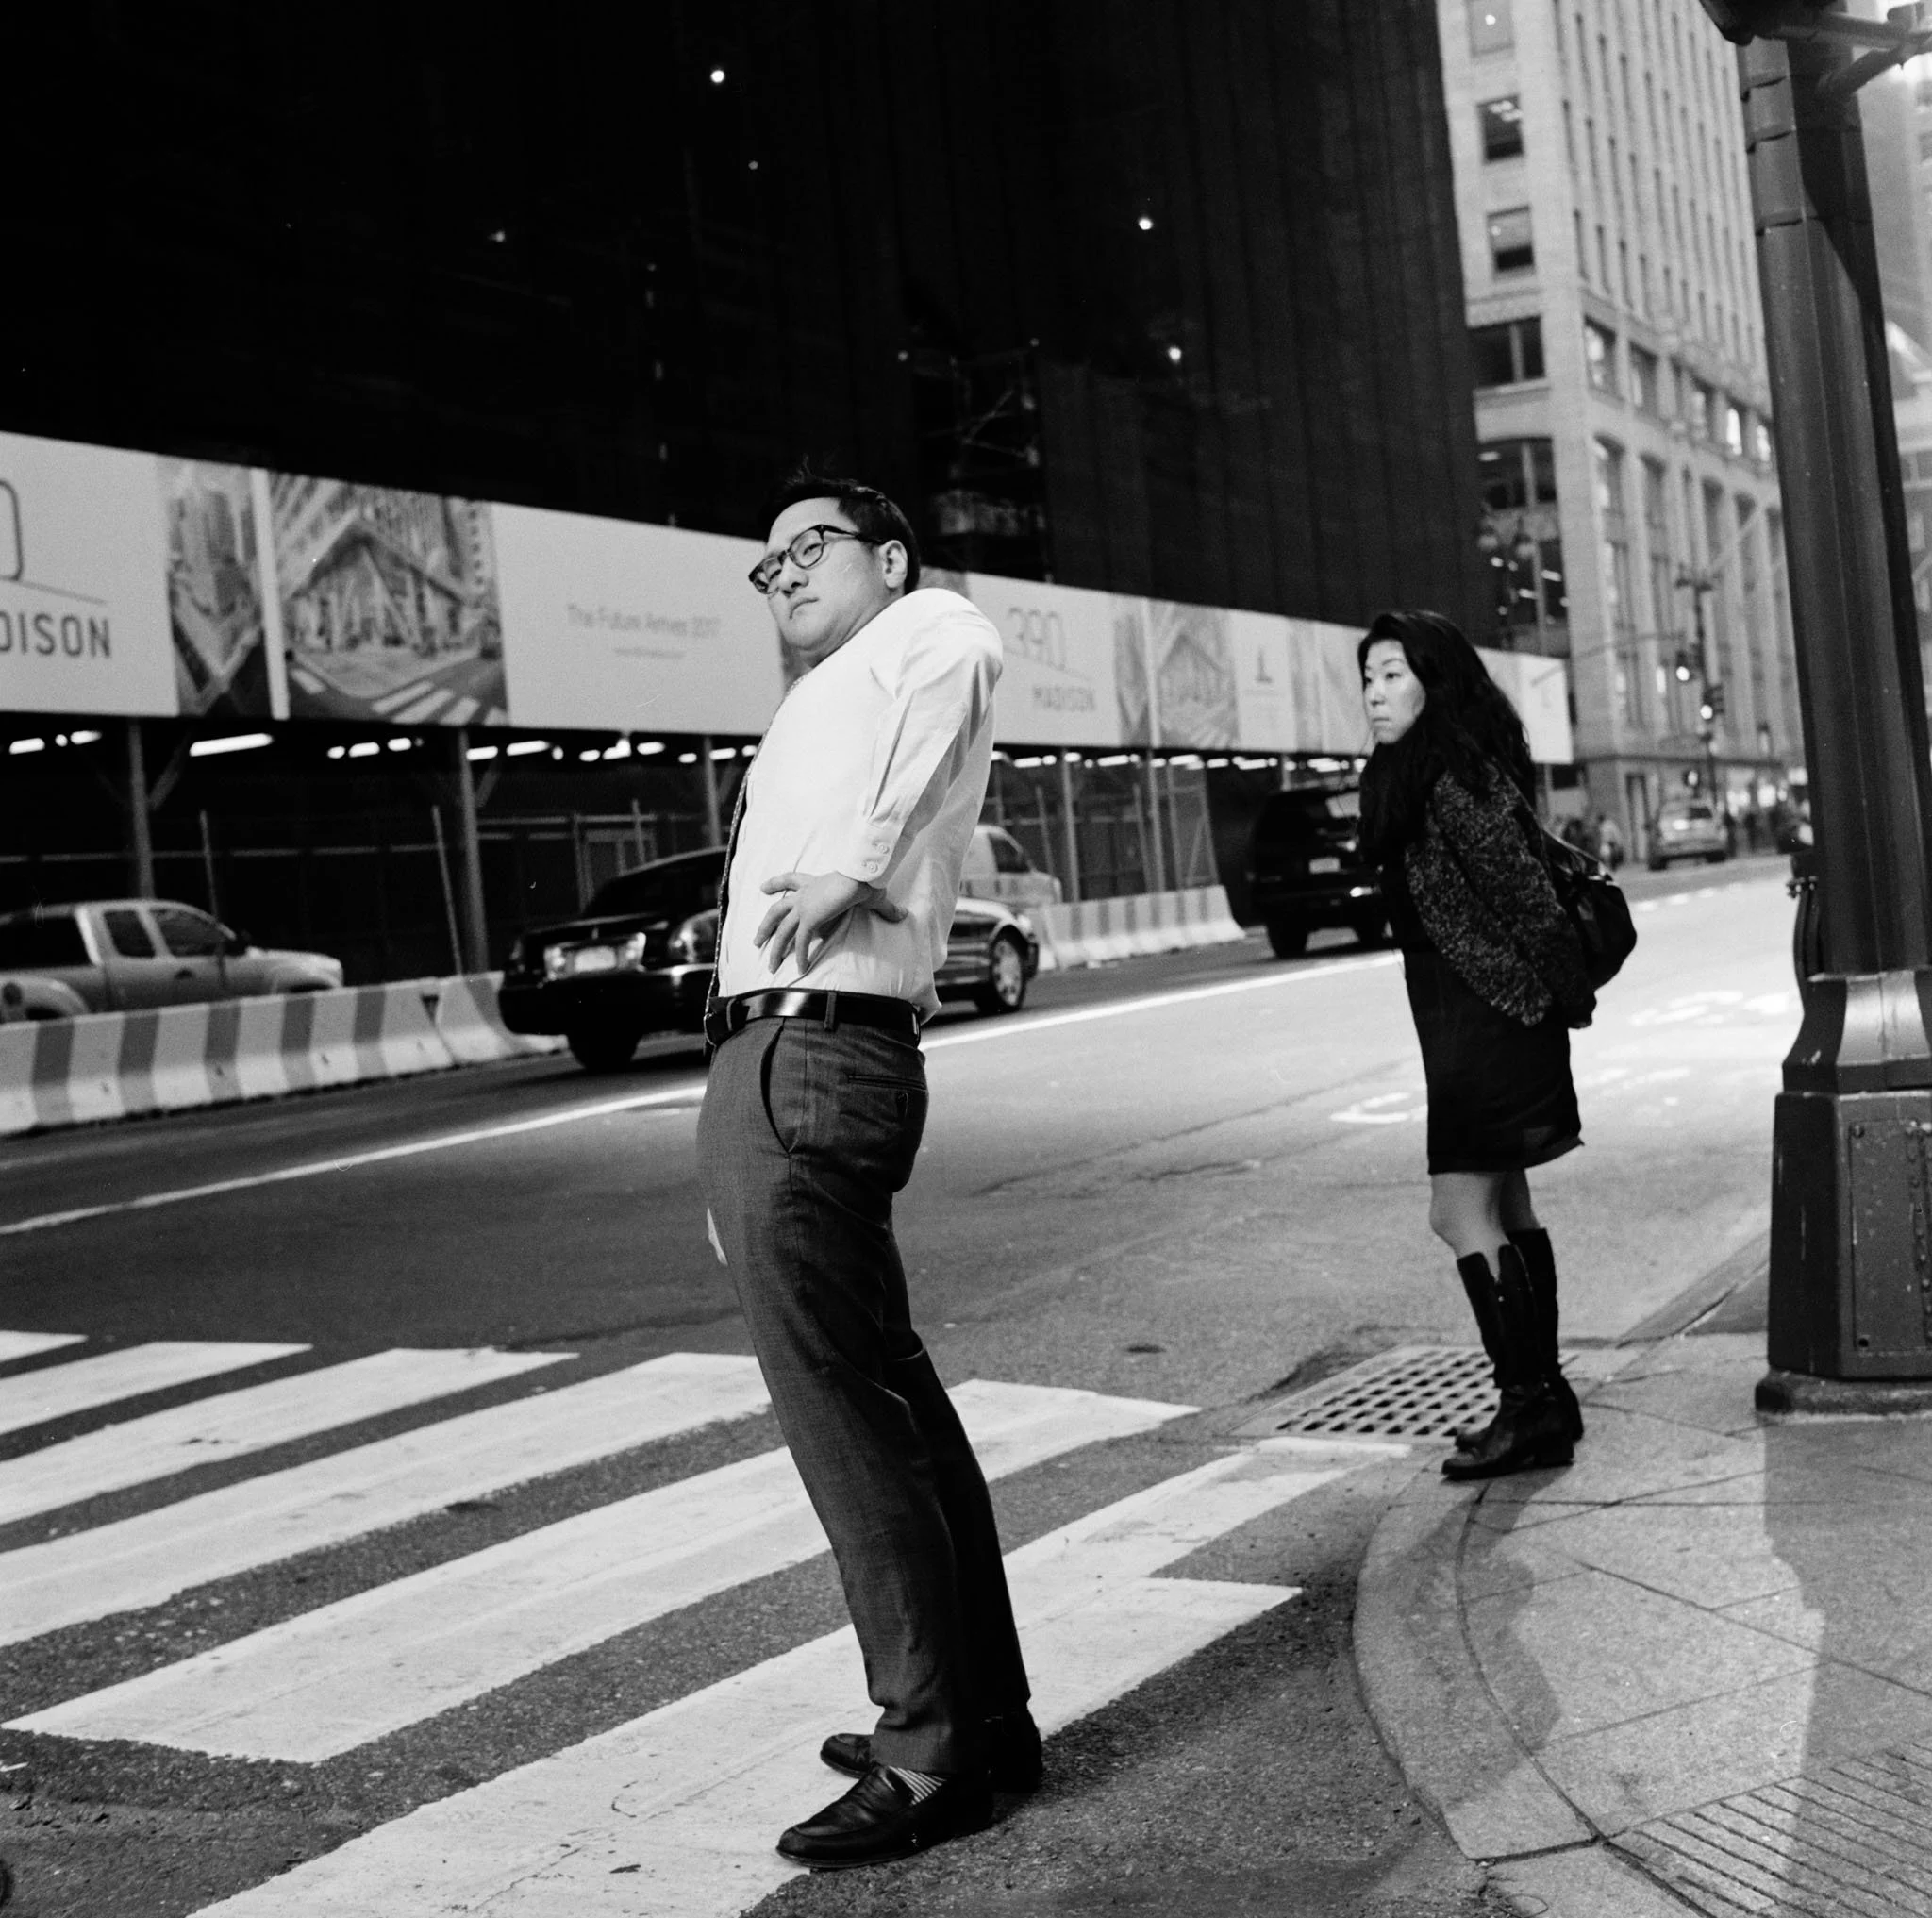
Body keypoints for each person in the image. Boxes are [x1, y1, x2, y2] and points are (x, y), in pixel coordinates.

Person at [695, 468, 1038, 1871]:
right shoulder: (832, 686)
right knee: (891, 1398)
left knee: (842, 1413)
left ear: (889, 559)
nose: (783, 572)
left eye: (810, 546)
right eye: (766, 562)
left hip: (813, 1049)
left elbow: (969, 651)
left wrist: (856, 855)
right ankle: (979, 1713)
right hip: (790, 1053)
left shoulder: (926, 628)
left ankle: (927, 1745)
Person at [1357, 609, 1595, 1480]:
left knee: (1457, 1212)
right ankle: (1546, 1400)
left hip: (1491, 1025)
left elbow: (1529, 898)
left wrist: (1566, 999)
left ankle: (1529, 1404)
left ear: (1437, 679)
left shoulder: (1457, 778)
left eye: (1393, 674)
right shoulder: (1420, 773)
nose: (1375, 693)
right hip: (1471, 1022)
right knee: (1507, 1207)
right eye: (1368, 678)